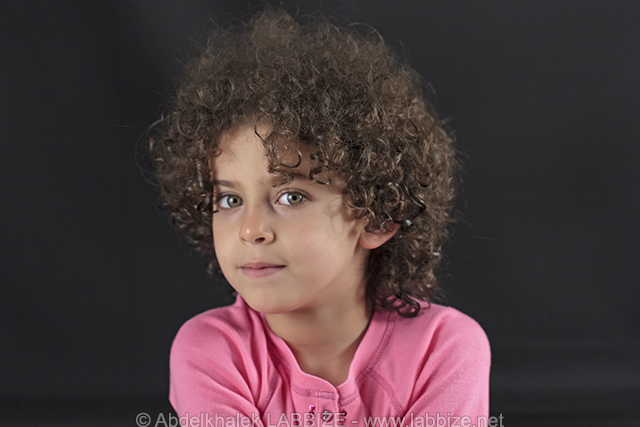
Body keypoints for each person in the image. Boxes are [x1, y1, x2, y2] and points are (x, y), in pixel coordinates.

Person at [149, 7, 490, 425]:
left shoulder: (444, 348)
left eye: (291, 197)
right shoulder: (210, 351)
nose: (251, 231)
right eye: (231, 200)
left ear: (378, 216)